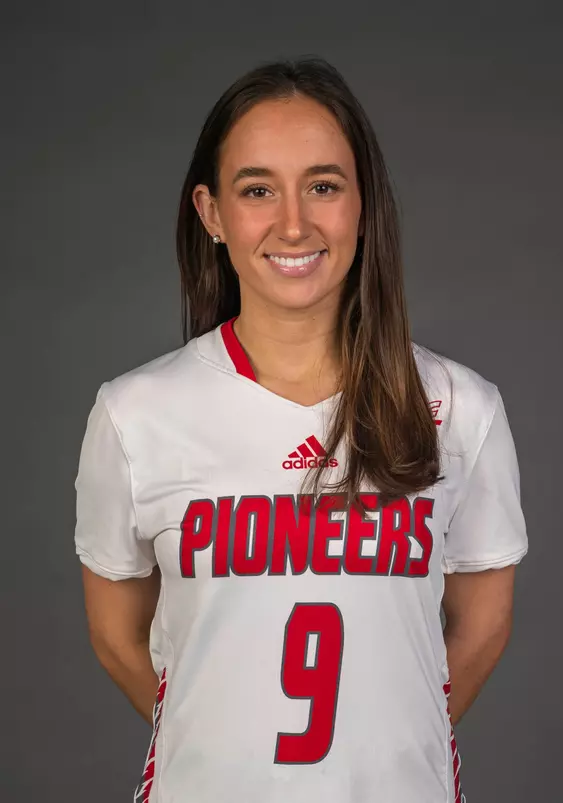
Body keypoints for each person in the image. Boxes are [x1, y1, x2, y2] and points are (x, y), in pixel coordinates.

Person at [74, 57, 528, 803]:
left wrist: (383, 747)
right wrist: (221, 743)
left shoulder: (460, 406)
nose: (293, 223)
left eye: (323, 185)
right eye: (257, 190)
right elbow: (118, 638)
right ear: (212, 213)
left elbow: (481, 628)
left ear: (362, 204)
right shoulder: (136, 412)